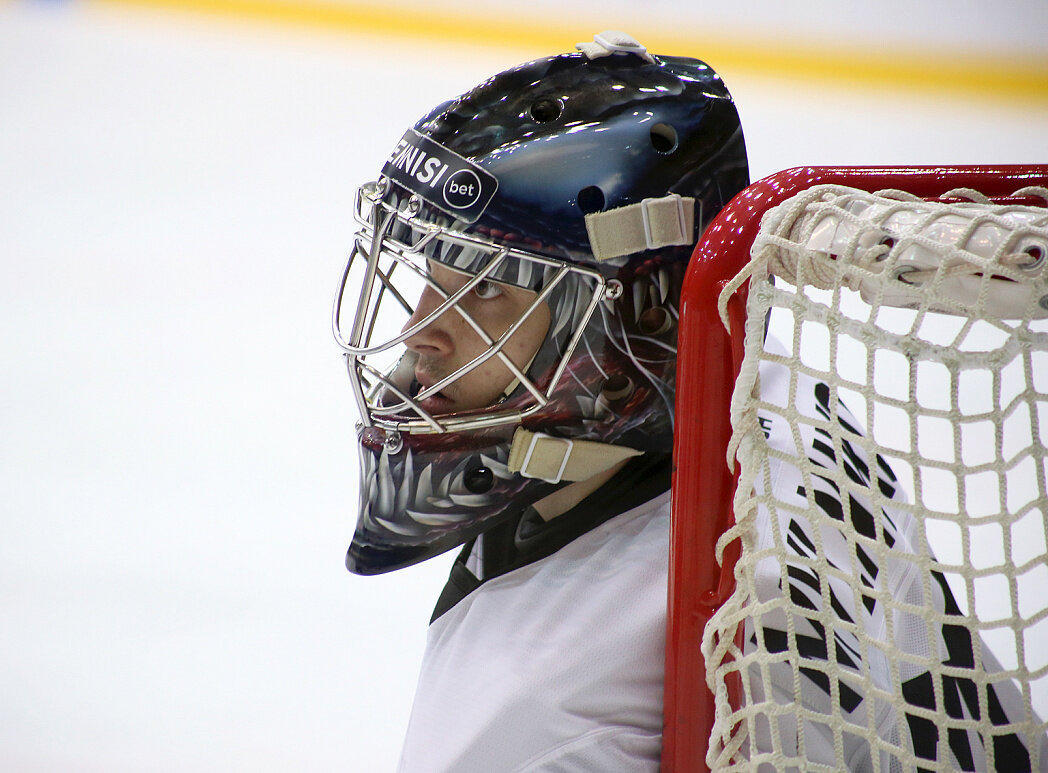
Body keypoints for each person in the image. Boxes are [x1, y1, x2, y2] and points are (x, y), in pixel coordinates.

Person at [331, 31, 1044, 771]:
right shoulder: (773, 400)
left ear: (631, 328)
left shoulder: (528, 713)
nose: (419, 333)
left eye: (487, 289)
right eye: (433, 276)